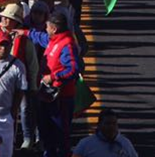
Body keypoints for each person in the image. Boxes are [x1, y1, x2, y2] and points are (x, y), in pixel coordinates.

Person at [40, 13, 79, 157]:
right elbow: (41, 38)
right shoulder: (54, 40)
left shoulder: (67, 44)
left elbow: (73, 69)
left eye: (47, 26)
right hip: (49, 96)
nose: (45, 29)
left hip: (61, 98)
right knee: (48, 132)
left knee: (61, 135)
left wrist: (54, 76)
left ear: (54, 28)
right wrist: (26, 33)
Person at [72, 109, 139, 157]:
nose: (111, 127)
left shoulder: (125, 143)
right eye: (107, 124)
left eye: (114, 123)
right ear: (99, 125)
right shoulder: (85, 144)